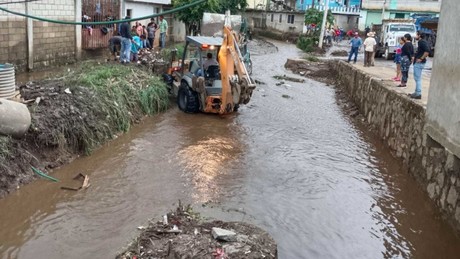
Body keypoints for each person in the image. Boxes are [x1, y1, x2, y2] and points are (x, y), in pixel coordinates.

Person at [409, 31, 430, 99]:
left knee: (417, 79)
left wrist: (421, 58)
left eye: (416, 35)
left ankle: (418, 93)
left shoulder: (422, 42)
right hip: (419, 61)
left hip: (419, 62)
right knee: (417, 78)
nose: (415, 36)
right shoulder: (422, 42)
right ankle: (416, 92)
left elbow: (427, 51)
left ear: (419, 35)